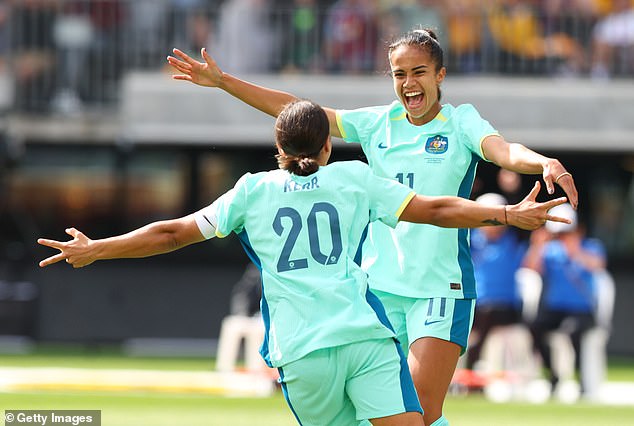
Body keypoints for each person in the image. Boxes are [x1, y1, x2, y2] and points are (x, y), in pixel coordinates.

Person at [36, 99, 569, 426]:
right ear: (327, 146)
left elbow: (172, 233)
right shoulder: (353, 179)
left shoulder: (252, 191)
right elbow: (434, 209)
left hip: (302, 352)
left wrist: (97, 248)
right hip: (364, 340)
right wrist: (504, 218)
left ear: (277, 144)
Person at [166, 29, 578, 426]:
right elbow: (297, 112)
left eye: (419, 72)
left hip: (440, 289)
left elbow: (502, 150)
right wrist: (223, 82)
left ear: (440, 76)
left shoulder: (460, 122)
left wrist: (540, 162)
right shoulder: (377, 124)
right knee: (377, 415)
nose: (409, 83)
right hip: (377, 291)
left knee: (421, 411)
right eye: (400, 74)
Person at [522, 203, 607, 396]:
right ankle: (552, 375)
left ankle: (581, 380)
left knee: (573, 331)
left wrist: (575, 251)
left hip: (582, 310)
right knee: (535, 328)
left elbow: (598, 265)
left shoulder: (591, 246)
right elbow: (530, 268)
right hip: (555, 308)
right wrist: (538, 245)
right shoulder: (550, 250)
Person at [465, 193, 526, 374]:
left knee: (489, 314)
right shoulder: (468, 240)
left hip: (506, 308)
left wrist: (513, 190)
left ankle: (472, 369)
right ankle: (468, 370)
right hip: (475, 305)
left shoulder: (514, 239)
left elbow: (521, 215)